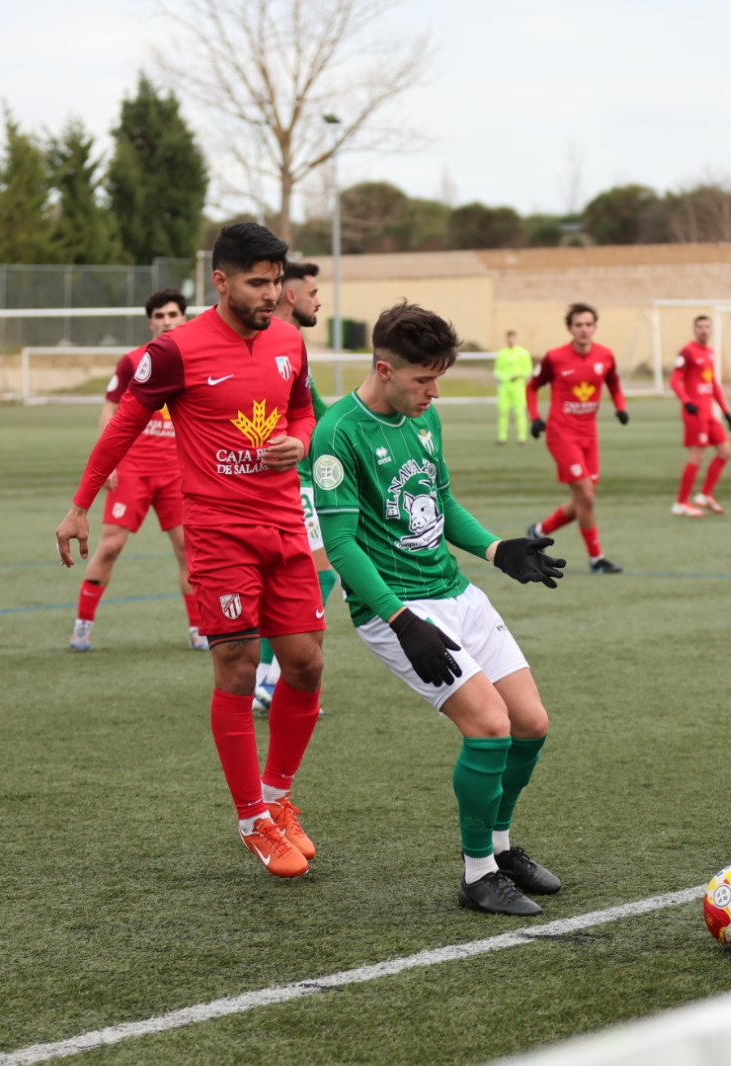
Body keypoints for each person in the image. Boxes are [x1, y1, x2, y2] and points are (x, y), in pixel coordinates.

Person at [58, 223, 324, 879]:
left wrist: (301, 441)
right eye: (258, 283)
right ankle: (251, 820)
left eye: (276, 282)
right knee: (236, 667)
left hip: (285, 524)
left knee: (306, 666)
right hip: (219, 529)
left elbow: (301, 410)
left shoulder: (290, 340)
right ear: (222, 280)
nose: (271, 295)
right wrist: (81, 503)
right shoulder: (176, 352)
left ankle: (277, 795)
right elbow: (122, 426)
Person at [311, 301, 567, 915]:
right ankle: (477, 875)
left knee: (531, 723)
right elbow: (340, 547)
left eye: (439, 379)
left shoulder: (425, 419)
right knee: (488, 726)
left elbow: (442, 502)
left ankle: (501, 849)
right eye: (423, 380)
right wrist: (403, 622)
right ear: (384, 369)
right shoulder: (337, 434)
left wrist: (496, 547)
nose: (433, 392)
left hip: (456, 594)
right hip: (397, 611)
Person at [70, 290, 204, 651]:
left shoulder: (197, 359)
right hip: (132, 470)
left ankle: (198, 629)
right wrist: (108, 461)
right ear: (150, 322)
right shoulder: (132, 361)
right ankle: (82, 625)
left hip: (176, 473)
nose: (166, 321)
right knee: (111, 546)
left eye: (173, 314)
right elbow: (109, 410)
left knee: (187, 551)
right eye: (159, 315)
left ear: (184, 317)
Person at [253, 261, 337, 713]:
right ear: (291, 296)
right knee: (320, 573)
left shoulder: (291, 343)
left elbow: (314, 407)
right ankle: (269, 681)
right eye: (314, 292)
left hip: (294, 480)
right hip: (286, 482)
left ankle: (266, 678)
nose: (319, 300)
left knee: (295, 579)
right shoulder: (267, 340)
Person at [525, 303, 628, 574]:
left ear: (595, 327)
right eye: (578, 325)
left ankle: (538, 531)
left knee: (584, 499)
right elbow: (532, 386)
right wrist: (535, 417)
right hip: (561, 434)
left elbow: (614, 384)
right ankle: (597, 560)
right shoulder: (555, 357)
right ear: (570, 328)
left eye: (588, 324)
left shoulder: (605, 355)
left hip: (589, 436)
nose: (584, 329)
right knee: (587, 496)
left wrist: (620, 407)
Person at [670, 314, 731, 517]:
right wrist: (687, 402)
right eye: (700, 326)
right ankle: (681, 503)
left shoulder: (710, 352)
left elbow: (713, 385)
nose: (703, 330)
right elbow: (675, 381)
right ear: (694, 330)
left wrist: (726, 412)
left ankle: (705, 495)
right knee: (697, 456)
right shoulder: (688, 351)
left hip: (708, 413)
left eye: (707, 326)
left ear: (711, 330)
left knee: (725, 451)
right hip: (694, 413)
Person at [493, 330, 532, 445]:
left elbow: (528, 369)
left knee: (520, 411)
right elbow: (496, 370)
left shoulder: (523, 353)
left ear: (516, 338)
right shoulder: (502, 353)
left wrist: (519, 375)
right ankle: (502, 437)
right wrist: (502, 376)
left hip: (518, 386)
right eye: (508, 337)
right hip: (504, 387)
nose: (510, 340)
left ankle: (522, 437)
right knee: (503, 411)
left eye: (512, 337)